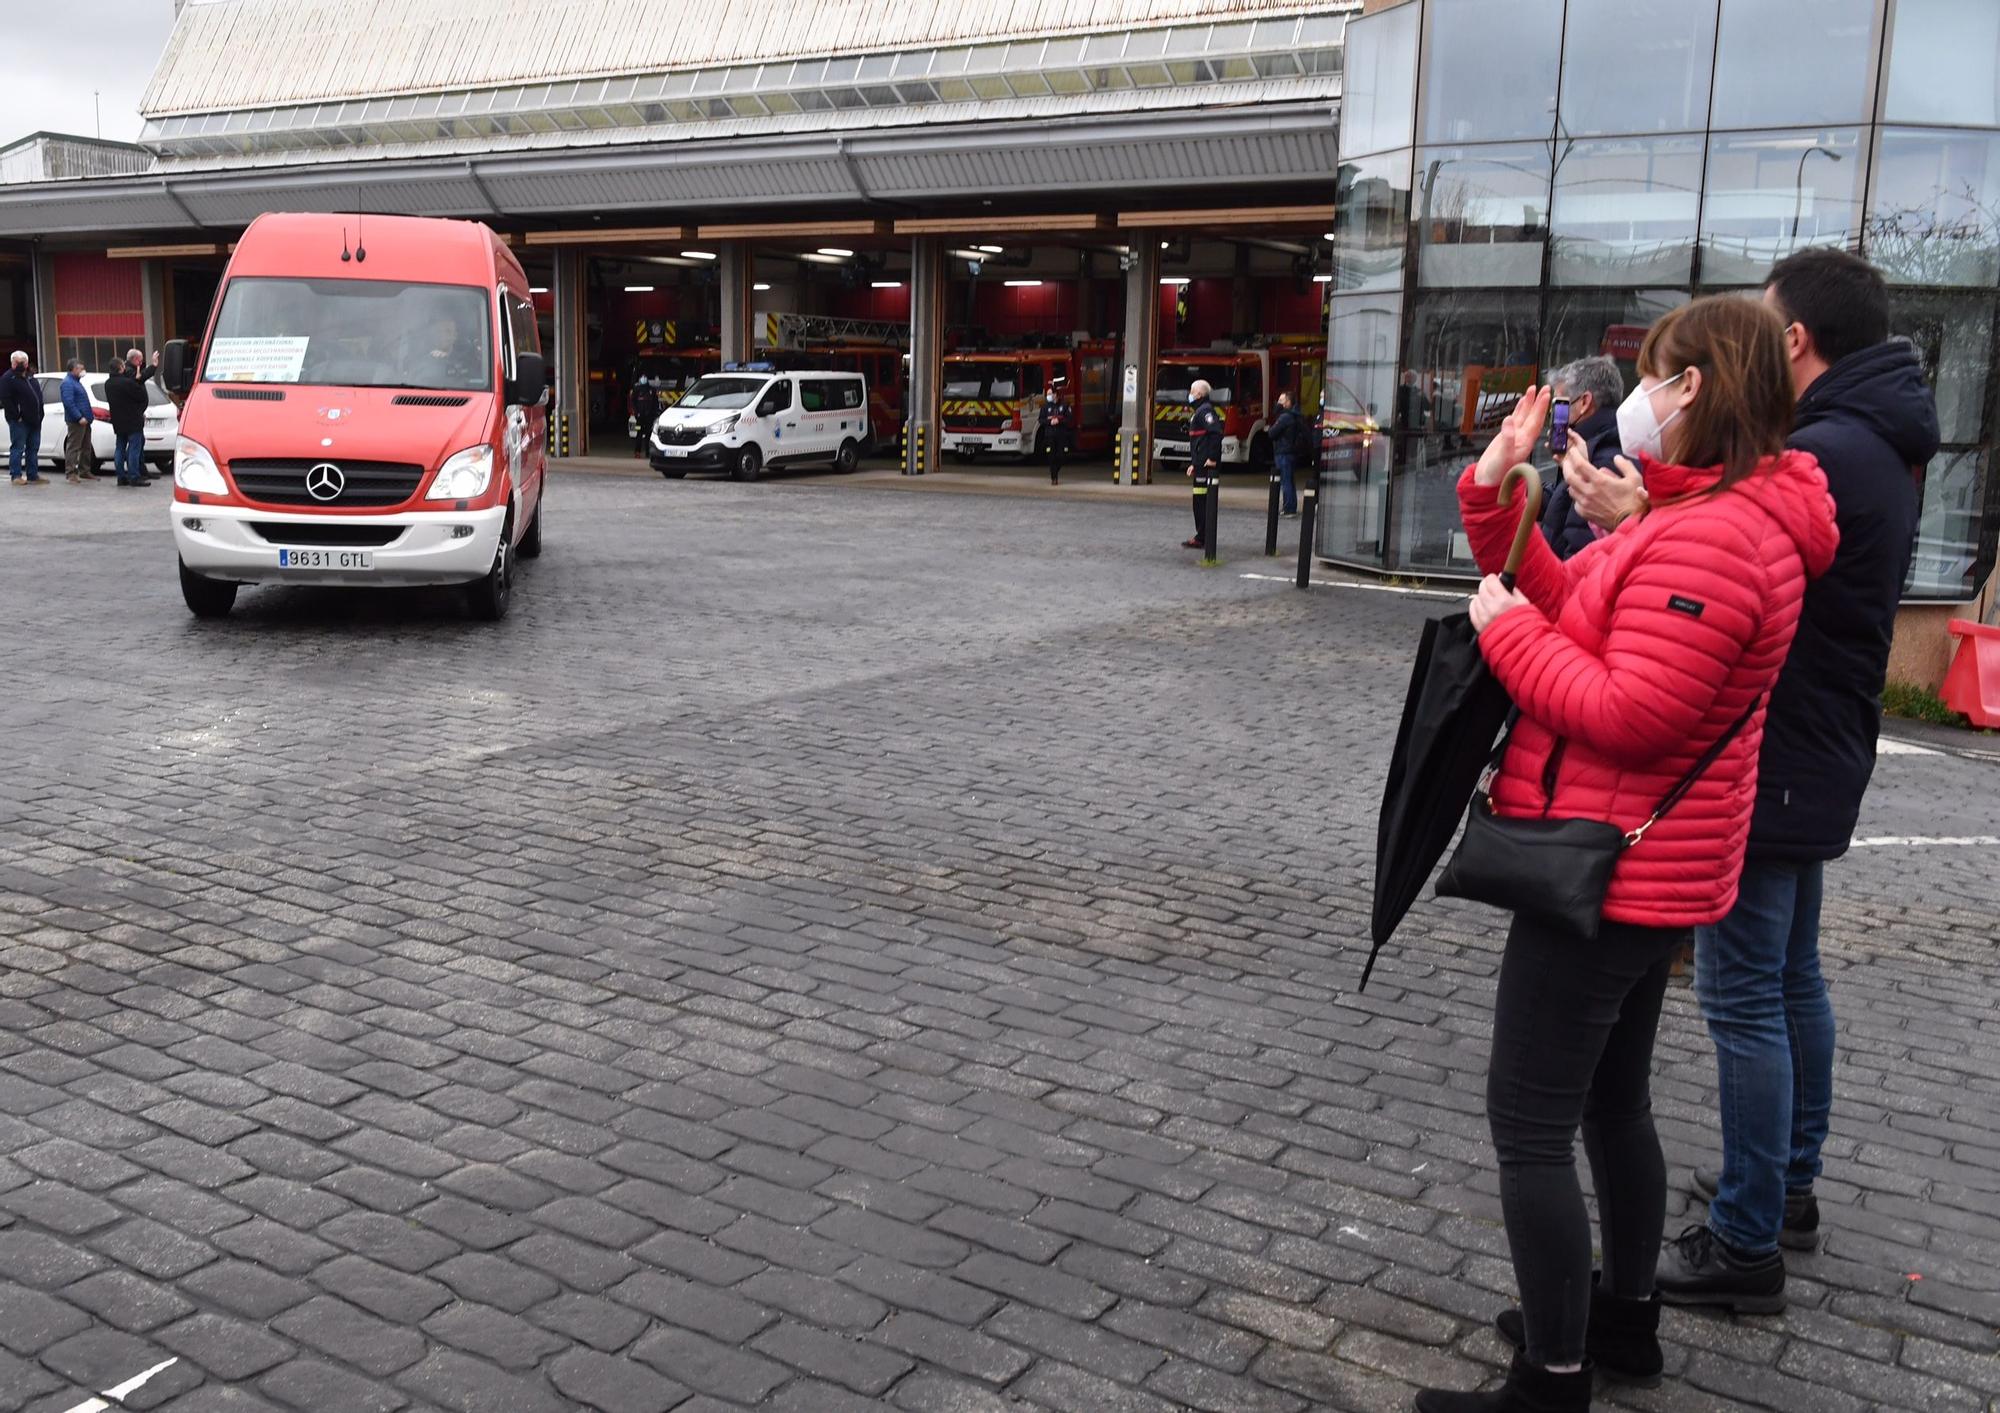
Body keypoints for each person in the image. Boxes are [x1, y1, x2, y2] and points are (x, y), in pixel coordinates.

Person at [1413, 295, 1839, 1413]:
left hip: (1604, 873)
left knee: (1527, 1126)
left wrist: (1503, 638)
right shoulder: (1694, 514)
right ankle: (1617, 1320)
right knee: (1610, 1107)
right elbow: (1572, 600)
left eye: (1653, 376)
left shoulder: (1718, 536)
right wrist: (1495, 487)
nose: (1636, 399)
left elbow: (1630, 709)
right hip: (1632, 865)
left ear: (1692, 388)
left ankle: (1550, 1379)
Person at [1647, 250, 1938, 1313]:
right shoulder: (1872, 444)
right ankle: (1784, 1189)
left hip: (1770, 757)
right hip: (1822, 745)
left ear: (1793, 341)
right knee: (1790, 980)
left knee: (1740, 998)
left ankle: (1744, 1239)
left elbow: (1723, 574)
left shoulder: (1817, 456)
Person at [1538, 355, 1625, 558]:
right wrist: (1536, 495)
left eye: (1559, 405)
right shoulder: (1594, 445)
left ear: (1584, 402)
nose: (1554, 416)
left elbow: (1580, 546)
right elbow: (1568, 507)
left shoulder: (1603, 460)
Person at [103, 349, 155, 488]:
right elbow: (140, 396)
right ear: (120, 368)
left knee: (119, 448)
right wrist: (138, 380)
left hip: (118, 421)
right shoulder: (127, 382)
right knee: (134, 448)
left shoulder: (108, 384)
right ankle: (134, 476)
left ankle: (121, 476)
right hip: (133, 420)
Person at [1183, 378, 1223, 549]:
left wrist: (1212, 458)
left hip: (1206, 466)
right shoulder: (1199, 411)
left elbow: (1215, 434)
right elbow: (1199, 442)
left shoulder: (1205, 411)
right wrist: (1195, 463)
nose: (1190, 395)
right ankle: (1202, 535)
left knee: (1202, 502)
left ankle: (1203, 538)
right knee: (1199, 501)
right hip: (1201, 465)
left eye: (1192, 391)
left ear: (1199, 394)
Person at [1, 351, 47, 486]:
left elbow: (38, 397)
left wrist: (41, 414)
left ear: (27, 363)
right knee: (18, 447)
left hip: (35, 420)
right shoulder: (8, 378)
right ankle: (16, 475)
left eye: (22, 362)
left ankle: (33, 474)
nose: (20, 365)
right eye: (17, 362)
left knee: (33, 448)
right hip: (19, 421)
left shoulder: (30, 377)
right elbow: (6, 400)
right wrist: (16, 416)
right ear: (12, 363)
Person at [59, 360, 95, 484]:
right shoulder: (68, 383)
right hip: (77, 421)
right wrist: (79, 417)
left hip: (86, 420)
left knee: (86, 446)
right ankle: (71, 473)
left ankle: (84, 470)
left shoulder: (77, 383)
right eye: (80, 368)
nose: (82, 371)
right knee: (74, 447)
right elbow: (68, 403)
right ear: (73, 369)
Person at [1270, 391, 1304, 517]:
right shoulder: (1295, 415)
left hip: (1284, 452)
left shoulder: (1285, 417)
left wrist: (1271, 428)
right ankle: (1290, 506)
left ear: (1288, 403)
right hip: (1290, 452)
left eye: (1280, 401)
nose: (1278, 403)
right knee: (1289, 480)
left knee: (1286, 481)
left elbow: (1272, 433)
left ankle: (1289, 508)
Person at [1041, 382, 1075, 486]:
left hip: (1061, 435)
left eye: (1050, 394)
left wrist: (1059, 421)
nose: (1048, 396)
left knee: (1061, 456)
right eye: (1047, 394)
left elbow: (1069, 418)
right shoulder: (1045, 407)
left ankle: (1055, 471)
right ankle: (1054, 477)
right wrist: (1049, 422)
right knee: (1051, 456)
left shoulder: (1064, 405)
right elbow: (1041, 419)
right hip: (1049, 435)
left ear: (1055, 394)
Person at [631, 377, 661, 458]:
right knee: (641, 434)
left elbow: (655, 403)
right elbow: (633, 402)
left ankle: (646, 452)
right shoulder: (637, 390)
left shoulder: (651, 391)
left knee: (647, 435)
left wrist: (653, 414)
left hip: (647, 417)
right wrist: (637, 413)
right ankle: (639, 452)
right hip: (640, 418)